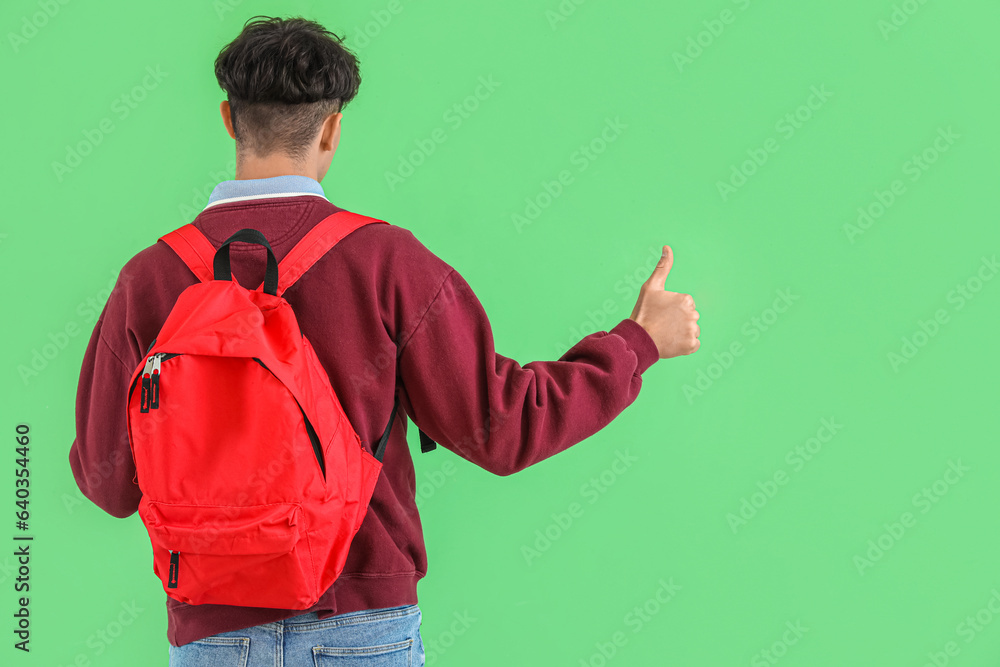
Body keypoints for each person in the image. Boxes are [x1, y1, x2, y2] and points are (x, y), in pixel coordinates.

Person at [68, 15, 700, 666]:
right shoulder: (385, 262)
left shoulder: (150, 278)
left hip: (212, 635)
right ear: (333, 128)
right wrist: (638, 342)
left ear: (229, 120)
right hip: (359, 628)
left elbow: (105, 478)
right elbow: (502, 426)